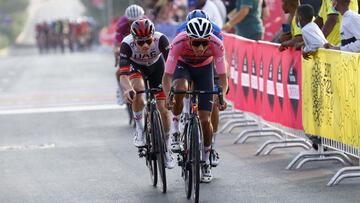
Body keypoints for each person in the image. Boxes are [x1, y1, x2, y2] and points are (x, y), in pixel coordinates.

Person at [162, 18, 228, 182]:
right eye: (196, 43)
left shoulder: (216, 44)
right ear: (189, 39)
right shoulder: (178, 42)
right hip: (183, 66)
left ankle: (206, 160)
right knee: (180, 87)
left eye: (204, 43)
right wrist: (168, 95)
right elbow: (167, 76)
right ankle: (176, 129)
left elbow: (223, 77)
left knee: (205, 120)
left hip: (205, 69)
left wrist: (222, 96)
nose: (200, 47)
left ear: (209, 40)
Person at [118, 19, 175, 169]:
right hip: (136, 68)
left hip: (158, 68)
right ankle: (139, 128)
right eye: (140, 42)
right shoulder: (126, 44)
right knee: (138, 89)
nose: (145, 46)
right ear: (134, 39)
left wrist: (172, 88)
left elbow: (173, 68)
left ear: (153, 37)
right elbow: (123, 75)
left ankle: (167, 147)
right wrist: (127, 89)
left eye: (148, 41)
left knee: (163, 110)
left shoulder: (161, 39)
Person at [175, 9, 223, 167]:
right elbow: (173, 62)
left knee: (213, 97)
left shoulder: (215, 32)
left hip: (208, 62)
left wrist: (221, 93)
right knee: (183, 87)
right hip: (186, 62)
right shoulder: (181, 32)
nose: (200, 43)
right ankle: (186, 112)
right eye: (196, 40)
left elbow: (221, 63)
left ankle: (211, 146)